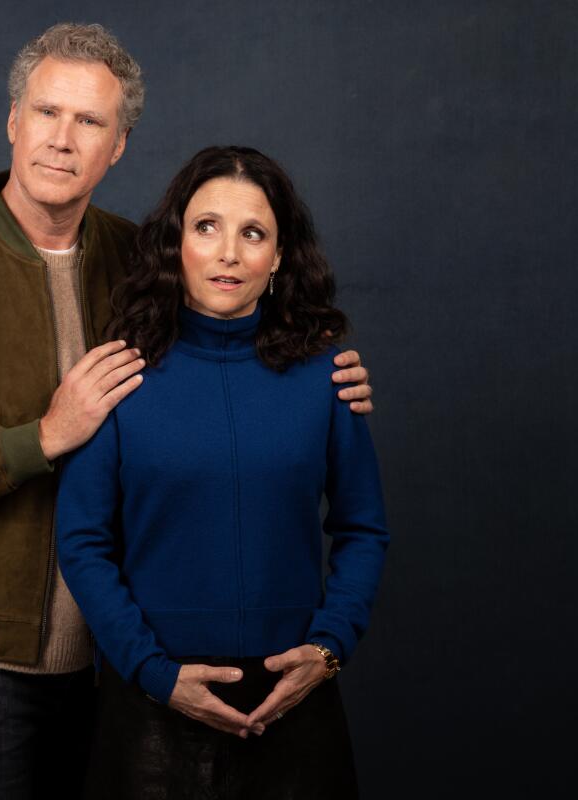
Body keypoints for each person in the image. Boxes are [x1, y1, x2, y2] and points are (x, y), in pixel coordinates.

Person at [0, 23, 375, 800]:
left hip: (114, 656)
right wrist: (45, 437)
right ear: (12, 120)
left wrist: (328, 367)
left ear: (118, 144)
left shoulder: (142, 260)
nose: (63, 139)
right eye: (48, 112)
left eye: (90, 121)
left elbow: (239, 332)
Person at [55, 145, 390, 799]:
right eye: (207, 227)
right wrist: (153, 671)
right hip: (150, 702)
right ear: (177, 241)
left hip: (294, 701)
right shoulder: (118, 375)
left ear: (280, 256)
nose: (229, 253)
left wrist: (328, 650)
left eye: (253, 233)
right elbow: (82, 541)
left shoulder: (328, 377)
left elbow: (363, 528)